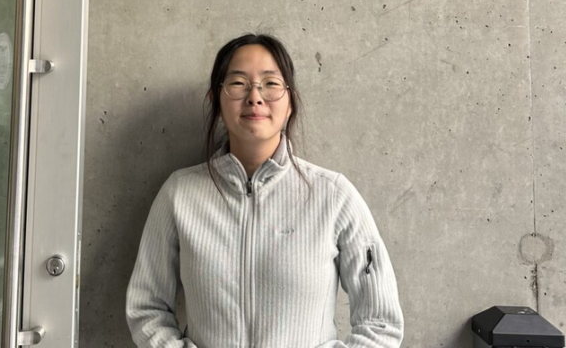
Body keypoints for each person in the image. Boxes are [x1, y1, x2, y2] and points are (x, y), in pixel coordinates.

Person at [126, 34, 404, 348]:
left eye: (270, 84)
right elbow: (146, 307)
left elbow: (381, 324)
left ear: (290, 103)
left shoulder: (334, 196)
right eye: (238, 83)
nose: (254, 97)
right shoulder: (179, 194)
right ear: (215, 100)